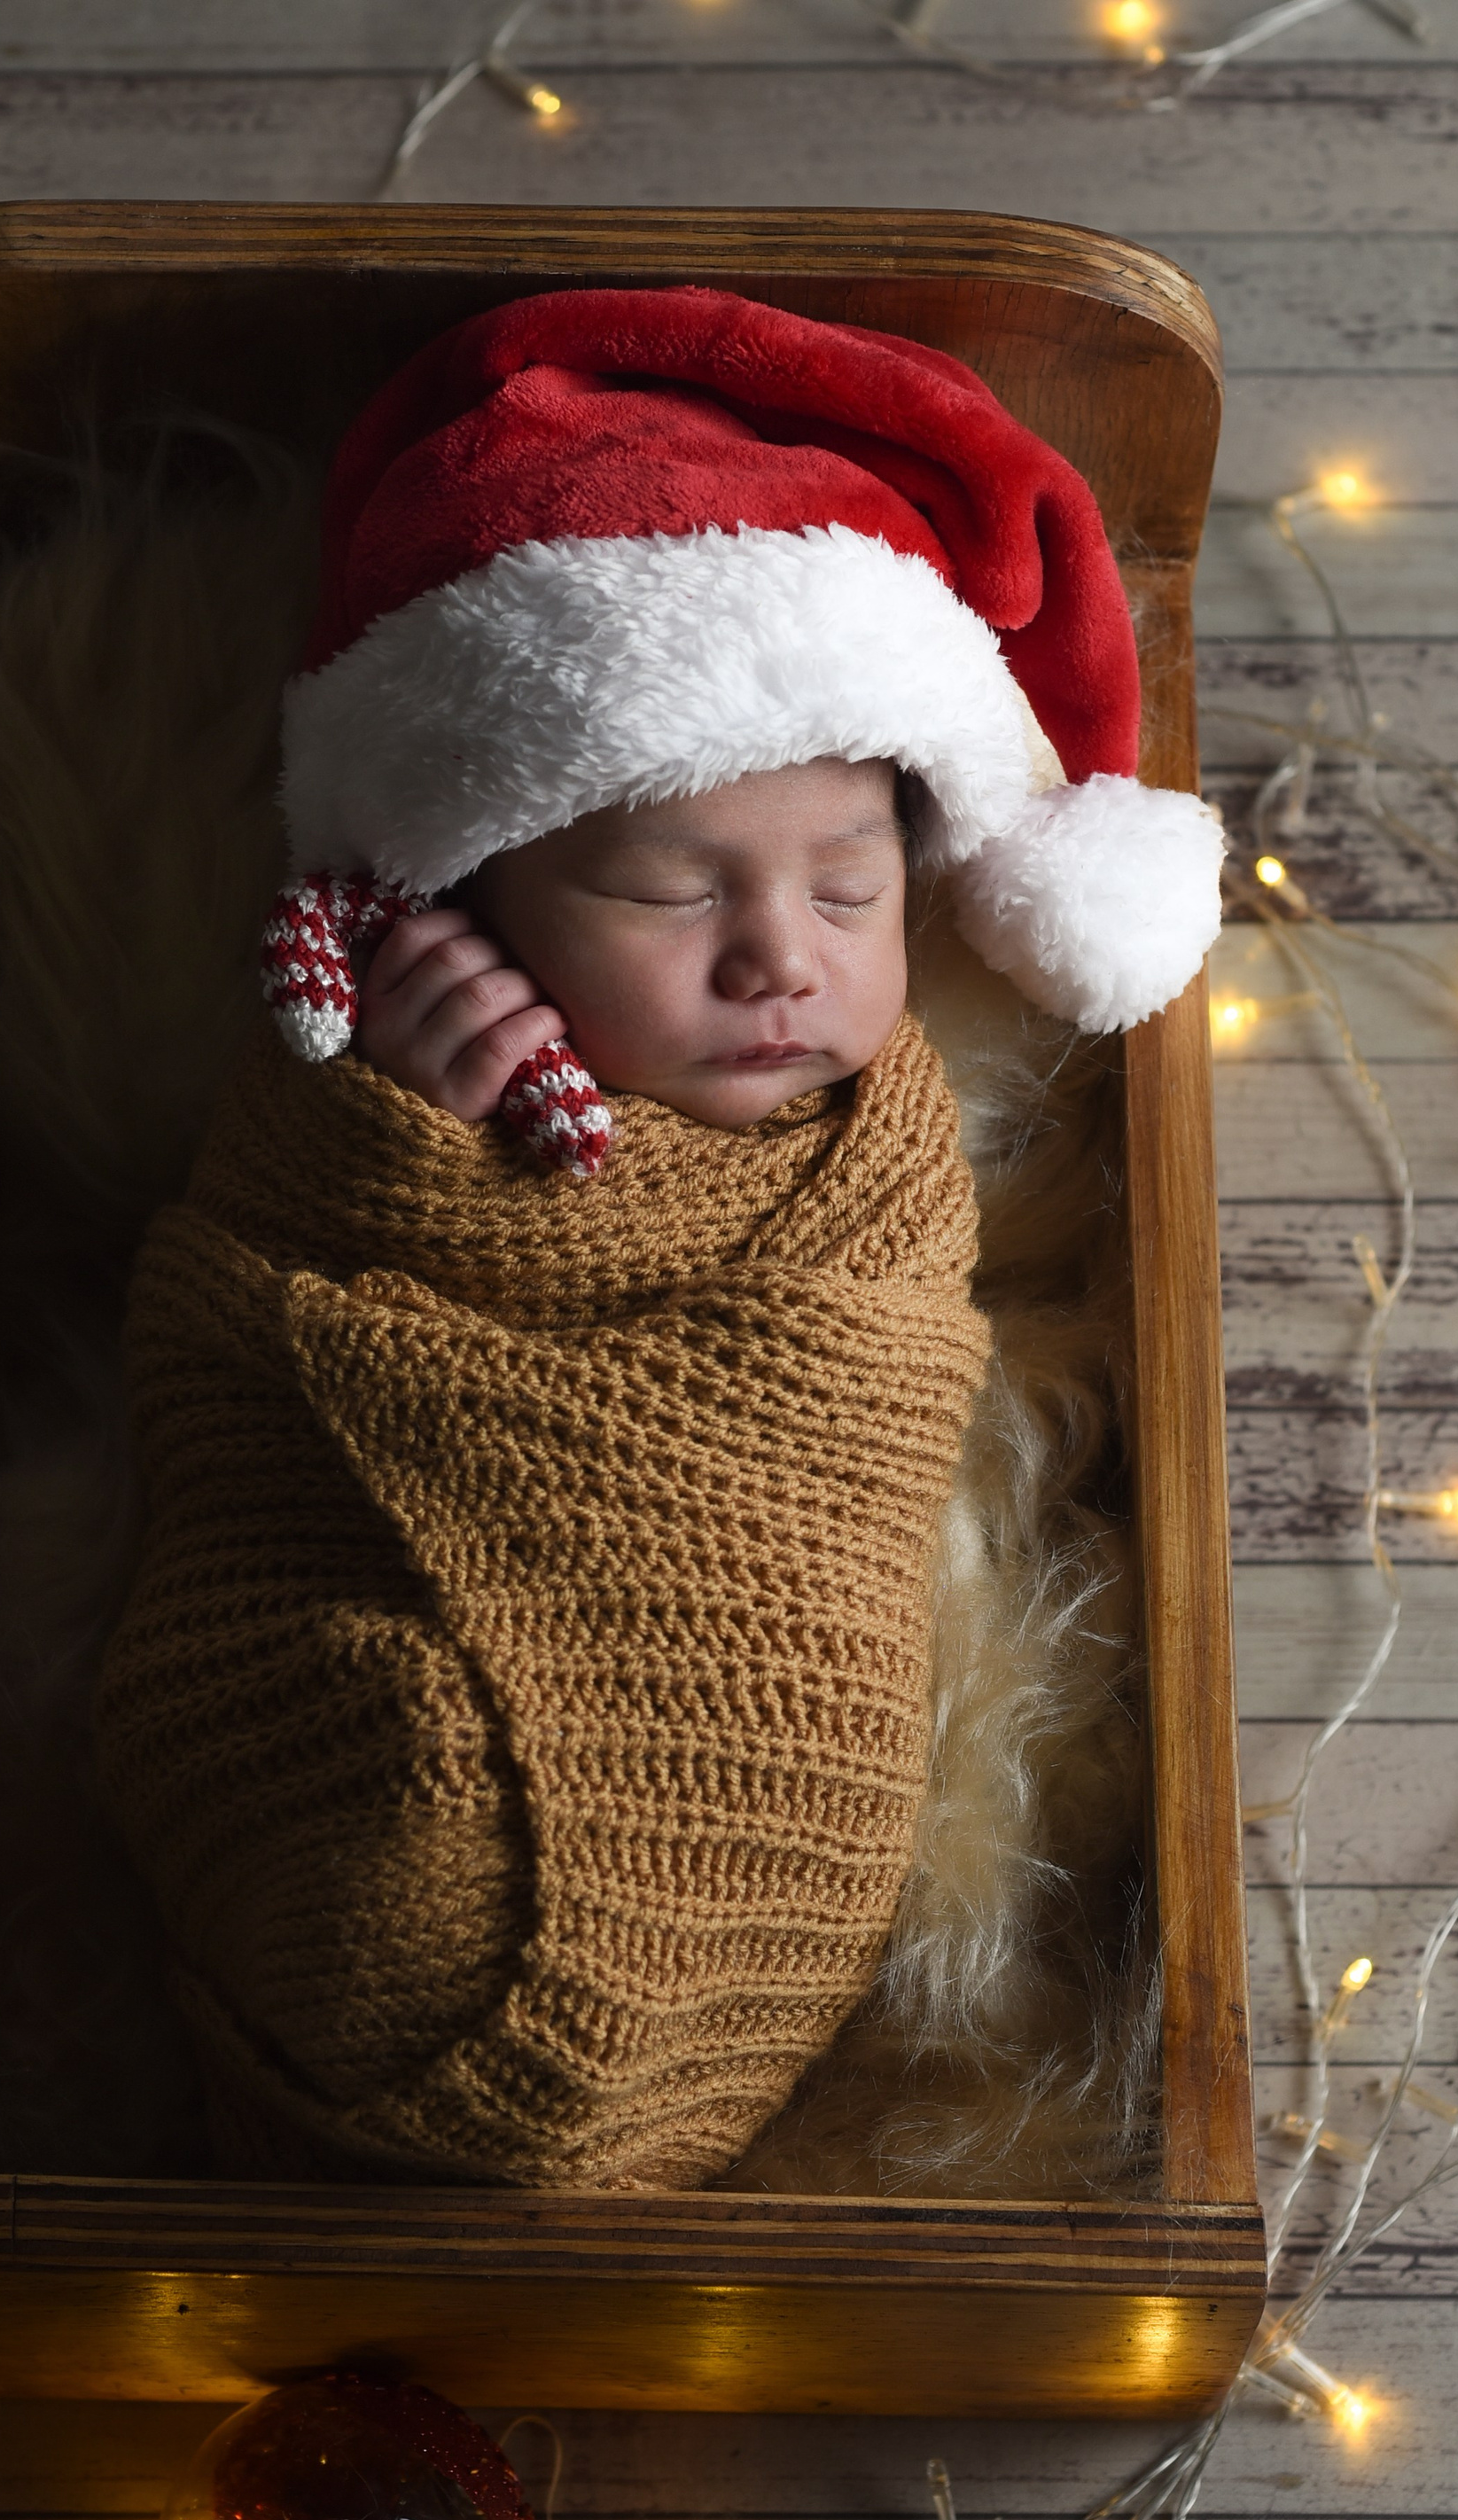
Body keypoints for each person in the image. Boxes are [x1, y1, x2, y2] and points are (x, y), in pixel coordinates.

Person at [94, 287, 1222, 2191]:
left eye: (845, 889)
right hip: (348, 1634)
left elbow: (857, 1392)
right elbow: (252, 1288)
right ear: (484, 892)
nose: (776, 950)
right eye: (662, 887)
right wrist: (389, 1122)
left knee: (649, 1829)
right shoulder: (382, 1059)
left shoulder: (881, 1158)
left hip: (765, 1738)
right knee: (383, 1804)